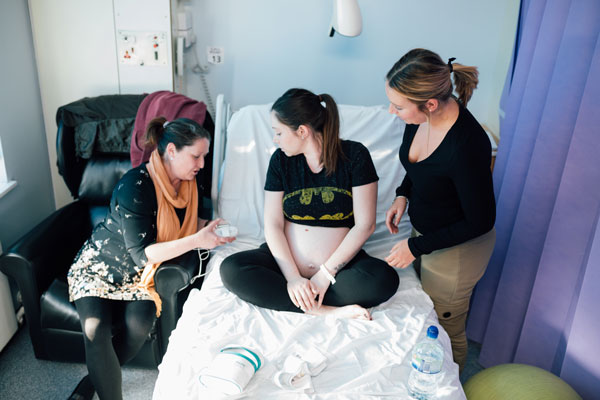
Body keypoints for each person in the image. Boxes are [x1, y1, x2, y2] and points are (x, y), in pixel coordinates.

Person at [67, 117, 235, 400]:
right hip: (100, 267)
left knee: (139, 326)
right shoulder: (136, 185)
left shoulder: (188, 183)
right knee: (96, 330)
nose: (202, 164)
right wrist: (197, 240)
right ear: (171, 150)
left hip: (140, 277)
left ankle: (91, 381)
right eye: (196, 156)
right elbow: (142, 253)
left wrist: (210, 229)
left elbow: (184, 222)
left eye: (204, 156)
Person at [220, 88, 399, 320]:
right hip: (285, 267)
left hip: (337, 271)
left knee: (384, 280)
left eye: (279, 132)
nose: (275, 140)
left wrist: (325, 275)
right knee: (232, 269)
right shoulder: (281, 161)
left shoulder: (355, 156)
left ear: (302, 131)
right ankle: (324, 310)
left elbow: (365, 225)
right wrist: (293, 278)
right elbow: (273, 224)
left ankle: (302, 298)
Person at [383, 48, 496, 373]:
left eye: (398, 106)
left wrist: (415, 247)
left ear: (430, 104)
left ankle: (448, 385)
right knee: (424, 313)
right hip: (428, 235)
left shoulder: (466, 145)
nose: (392, 111)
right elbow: (421, 168)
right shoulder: (419, 118)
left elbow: (481, 220)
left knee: (445, 329)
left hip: (459, 249)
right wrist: (403, 195)